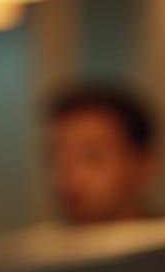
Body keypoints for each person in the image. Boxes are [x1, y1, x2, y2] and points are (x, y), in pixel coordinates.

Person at [47, 84, 159, 225]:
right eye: (58, 158)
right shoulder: (44, 244)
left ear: (143, 163)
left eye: (91, 157)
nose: (68, 180)